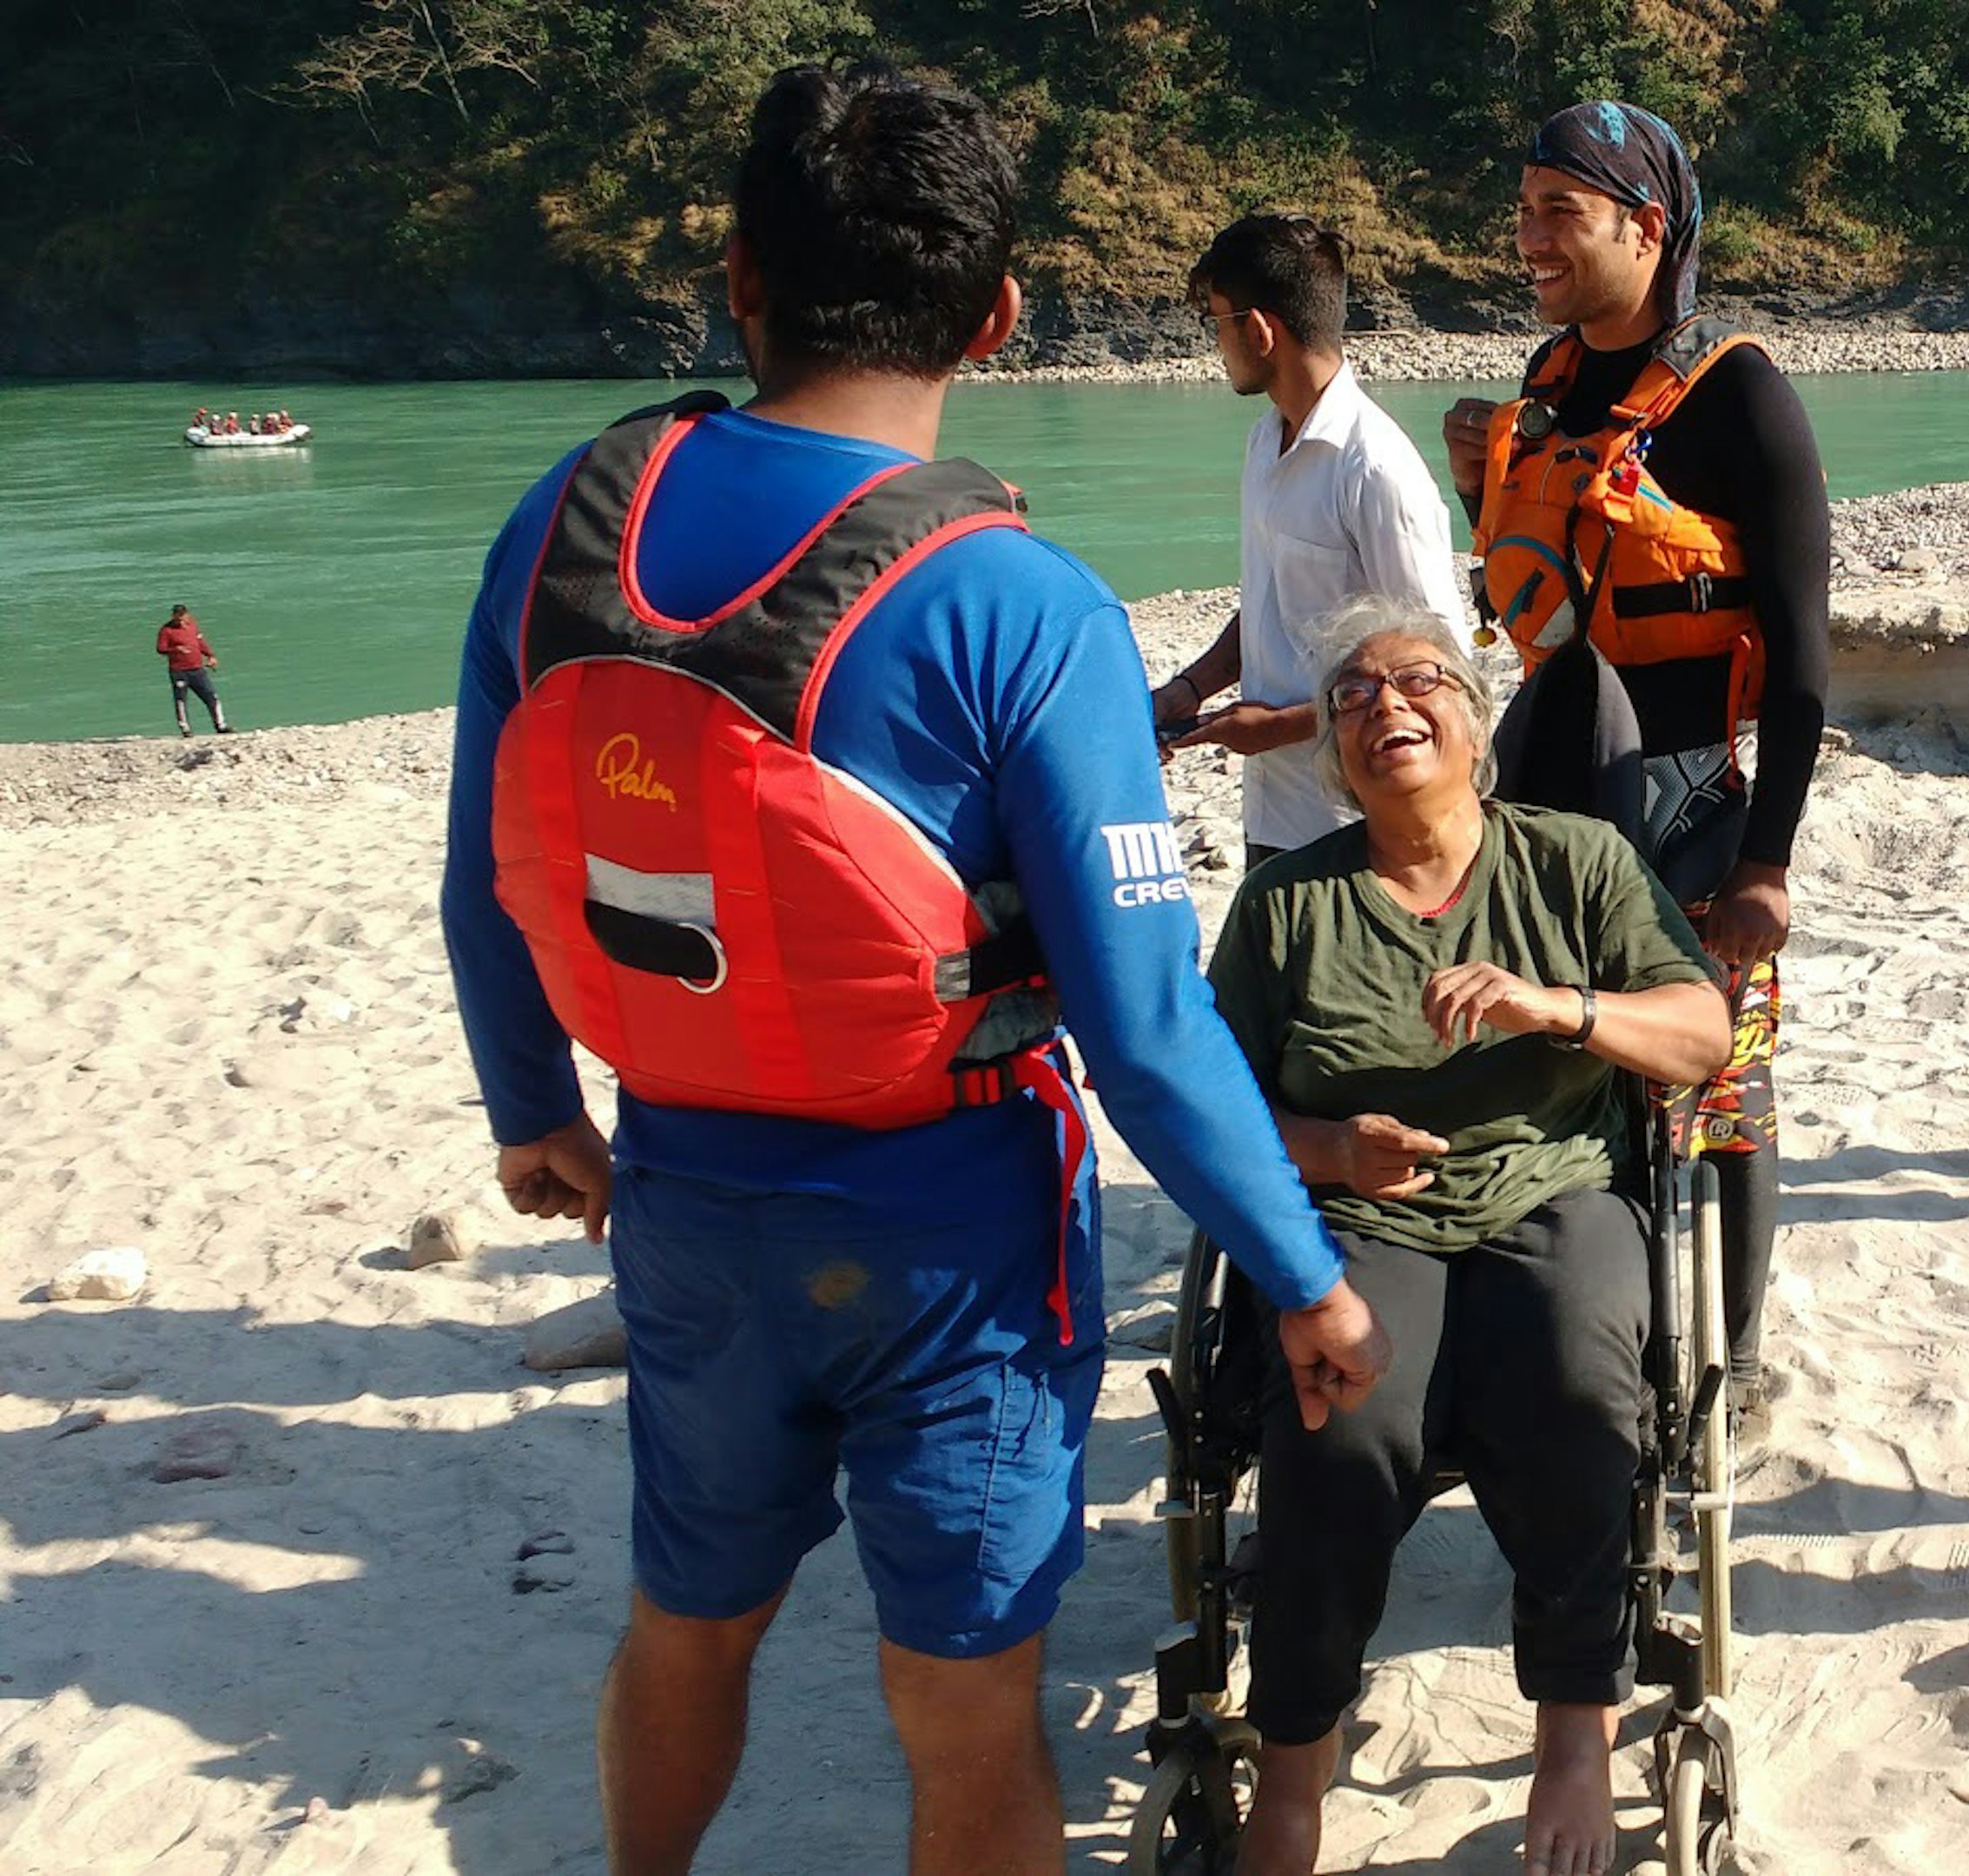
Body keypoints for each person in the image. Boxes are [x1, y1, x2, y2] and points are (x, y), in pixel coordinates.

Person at [435, 65, 1387, 1876]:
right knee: (960, 1702)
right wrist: (1299, 1272)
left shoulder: (563, 514)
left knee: (687, 1621)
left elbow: (493, 862)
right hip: (944, 1222)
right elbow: (1146, 1031)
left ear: (737, 280)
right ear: (1001, 313)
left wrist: (531, 1106)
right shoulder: (1022, 606)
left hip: (686, 1189)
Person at [1212, 610, 1734, 1876]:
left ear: (1476, 719)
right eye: (1351, 697)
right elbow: (1213, 1109)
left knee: (1573, 1381)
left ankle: (1572, 1727)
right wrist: (1336, 1154)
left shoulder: (1578, 861)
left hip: (1552, 1189)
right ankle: (1294, 1767)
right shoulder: (1290, 904)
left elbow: (1703, 1034)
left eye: (1418, 680)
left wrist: (1557, 1009)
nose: (1385, 704)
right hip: (1361, 1208)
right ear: (1334, 755)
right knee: (1348, 1418)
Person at [1440, 100, 1831, 1431]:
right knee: (1557, 1063)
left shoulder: (1741, 397)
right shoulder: (1549, 385)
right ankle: (1569, 1319)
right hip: (1546, 789)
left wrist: (1768, 859)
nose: (1529, 235)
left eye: (1561, 210)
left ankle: (1741, 1353)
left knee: (1719, 1082)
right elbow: (1536, 599)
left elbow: (1802, 659)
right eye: (1525, 205)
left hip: (1690, 801)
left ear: (1645, 226)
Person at [1148, 212, 1470, 864]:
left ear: (1260, 330)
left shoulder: (1374, 465)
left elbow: (1440, 669)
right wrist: (1189, 690)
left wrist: (1281, 727)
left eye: (1218, 323)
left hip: (1359, 819)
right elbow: (1273, 601)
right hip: (1273, 808)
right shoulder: (1266, 440)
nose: (1217, 344)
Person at [155, 604, 228, 735]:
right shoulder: (166, 630)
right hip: (179, 671)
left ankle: (220, 725)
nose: (181, 622)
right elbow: (160, 649)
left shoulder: (192, 625)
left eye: (182, 618)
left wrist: (210, 656)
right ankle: (186, 729)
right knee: (181, 700)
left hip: (197, 669)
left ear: (187, 616)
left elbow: (200, 642)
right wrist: (175, 649)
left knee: (211, 696)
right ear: (173, 616)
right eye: (177, 619)